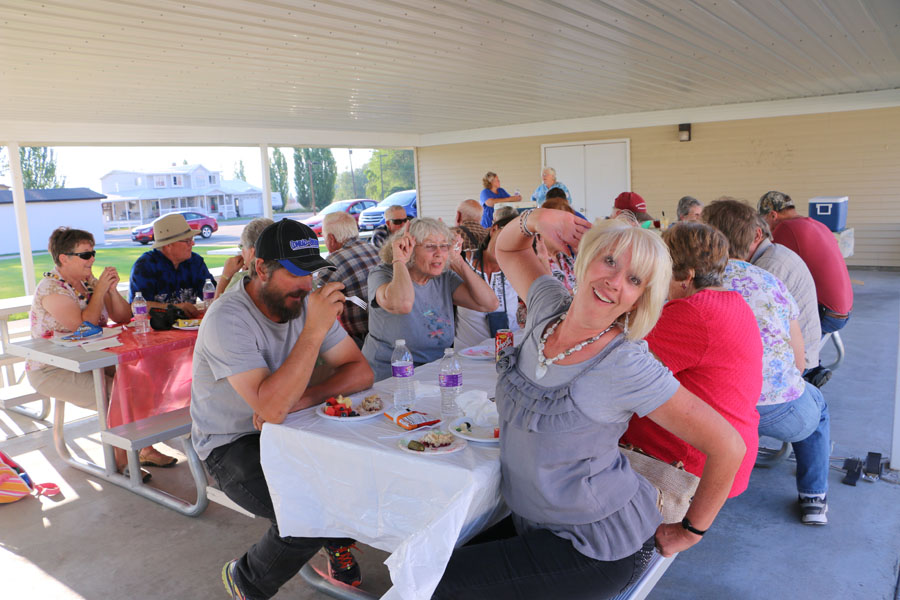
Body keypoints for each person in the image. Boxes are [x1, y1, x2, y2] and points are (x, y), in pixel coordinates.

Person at [433, 210, 745, 600]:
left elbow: (728, 446)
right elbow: (508, 247)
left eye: (633, 280)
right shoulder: (548, 307)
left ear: (639, 299)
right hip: (534, 521)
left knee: (434, 585)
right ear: (586, 258)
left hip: (598, 545)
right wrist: (537, 218)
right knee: (423, 560)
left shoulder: (625, 363)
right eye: (609, 260)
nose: (613, 281)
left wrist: (691, 532)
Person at [190, 219, 374, 598]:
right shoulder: (227, 318)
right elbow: (271, 409)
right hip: (232, 441)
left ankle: (334, 537)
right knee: (309, 513)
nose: (307, 285)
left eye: (313, 272)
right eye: (295, 273)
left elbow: (360, 371)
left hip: (292, 422)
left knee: (360, 476)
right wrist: (313, 331)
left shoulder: (307, 302)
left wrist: (304, 398)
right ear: (261, 268)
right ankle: (247, 579)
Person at [622, 222, 763, 498]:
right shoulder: (733, 302)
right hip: (726, 454)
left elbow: (620, 367)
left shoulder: (692, 313)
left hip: (689, 467)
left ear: (686, 276)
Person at [25, 227, 174, 475]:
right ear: (64, 258)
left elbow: (123, 315)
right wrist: (100, 290)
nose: (92, 259)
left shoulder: (88, 282)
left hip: (93, 358)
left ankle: (144, 448)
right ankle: (121, 462)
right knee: (115, 394)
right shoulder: (51, 288)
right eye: (85, 255)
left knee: (140, 379)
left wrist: (111, 290)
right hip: (53, 368)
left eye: (93, 253)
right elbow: (84, 326)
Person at [722, 254, 831, 525]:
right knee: (817, 409)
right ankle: (813, 498)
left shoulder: (687, 285)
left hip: (718, 406)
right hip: (777, 409)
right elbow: (798, 360)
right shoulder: (768, 279)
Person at [702, 198, 825, 383]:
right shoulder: (770, 256)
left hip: (794, 366)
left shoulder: (767, 269)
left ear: (757, 236)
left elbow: (738, 327)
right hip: (793, 353)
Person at [361, 218, 499, 381]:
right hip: (390, 378)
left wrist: (457, 261)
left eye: (444, 246)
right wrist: (399, 260)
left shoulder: (444, 277)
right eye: (430, 246)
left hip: (433, 374)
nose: (439, 253)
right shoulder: (383, 273)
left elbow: (489, 303)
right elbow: (402, 304)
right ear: (408, 248)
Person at [758, 190, 853, 334]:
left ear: (773, 215)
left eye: (764, 221)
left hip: (827, 315)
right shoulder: (817, 224)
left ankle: (805, 356)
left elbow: (768, 268)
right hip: (844, 309)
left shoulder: (786, 228)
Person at [454, 212, 521, 348]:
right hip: (467, 355)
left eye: (517, 241)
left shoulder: (518, 269)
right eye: (507, 235)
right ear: (494, 229)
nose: (508, 244)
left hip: (508, 353)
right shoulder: (461, 260)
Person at [128, 212, 215, 317]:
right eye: (187, 240)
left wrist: (227, 276)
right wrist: (175, 307)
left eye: (192, 239)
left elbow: (213, 296)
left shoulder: (195, 262)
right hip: (156, 329)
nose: (192, 244)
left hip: (189, 326)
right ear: (168, 245)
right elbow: (137, 305)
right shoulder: (145, 266)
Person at [319, 211, 381, 348]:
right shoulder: (376, 250)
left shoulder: (332, 263)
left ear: (331, 238)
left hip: (363, 341)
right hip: (388, 332)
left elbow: (316, 306)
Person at [215, 217, 274, 298]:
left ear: (252, 252)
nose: (242, 252)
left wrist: (225, 277)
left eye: (242, 246)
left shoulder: (242, 280)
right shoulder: (286, 273)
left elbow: (217, 309)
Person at [537, 196, 578, 293]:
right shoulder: (534, 257)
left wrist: (578, 254)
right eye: (564, 226)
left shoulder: (565, 256)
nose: (570, 232)